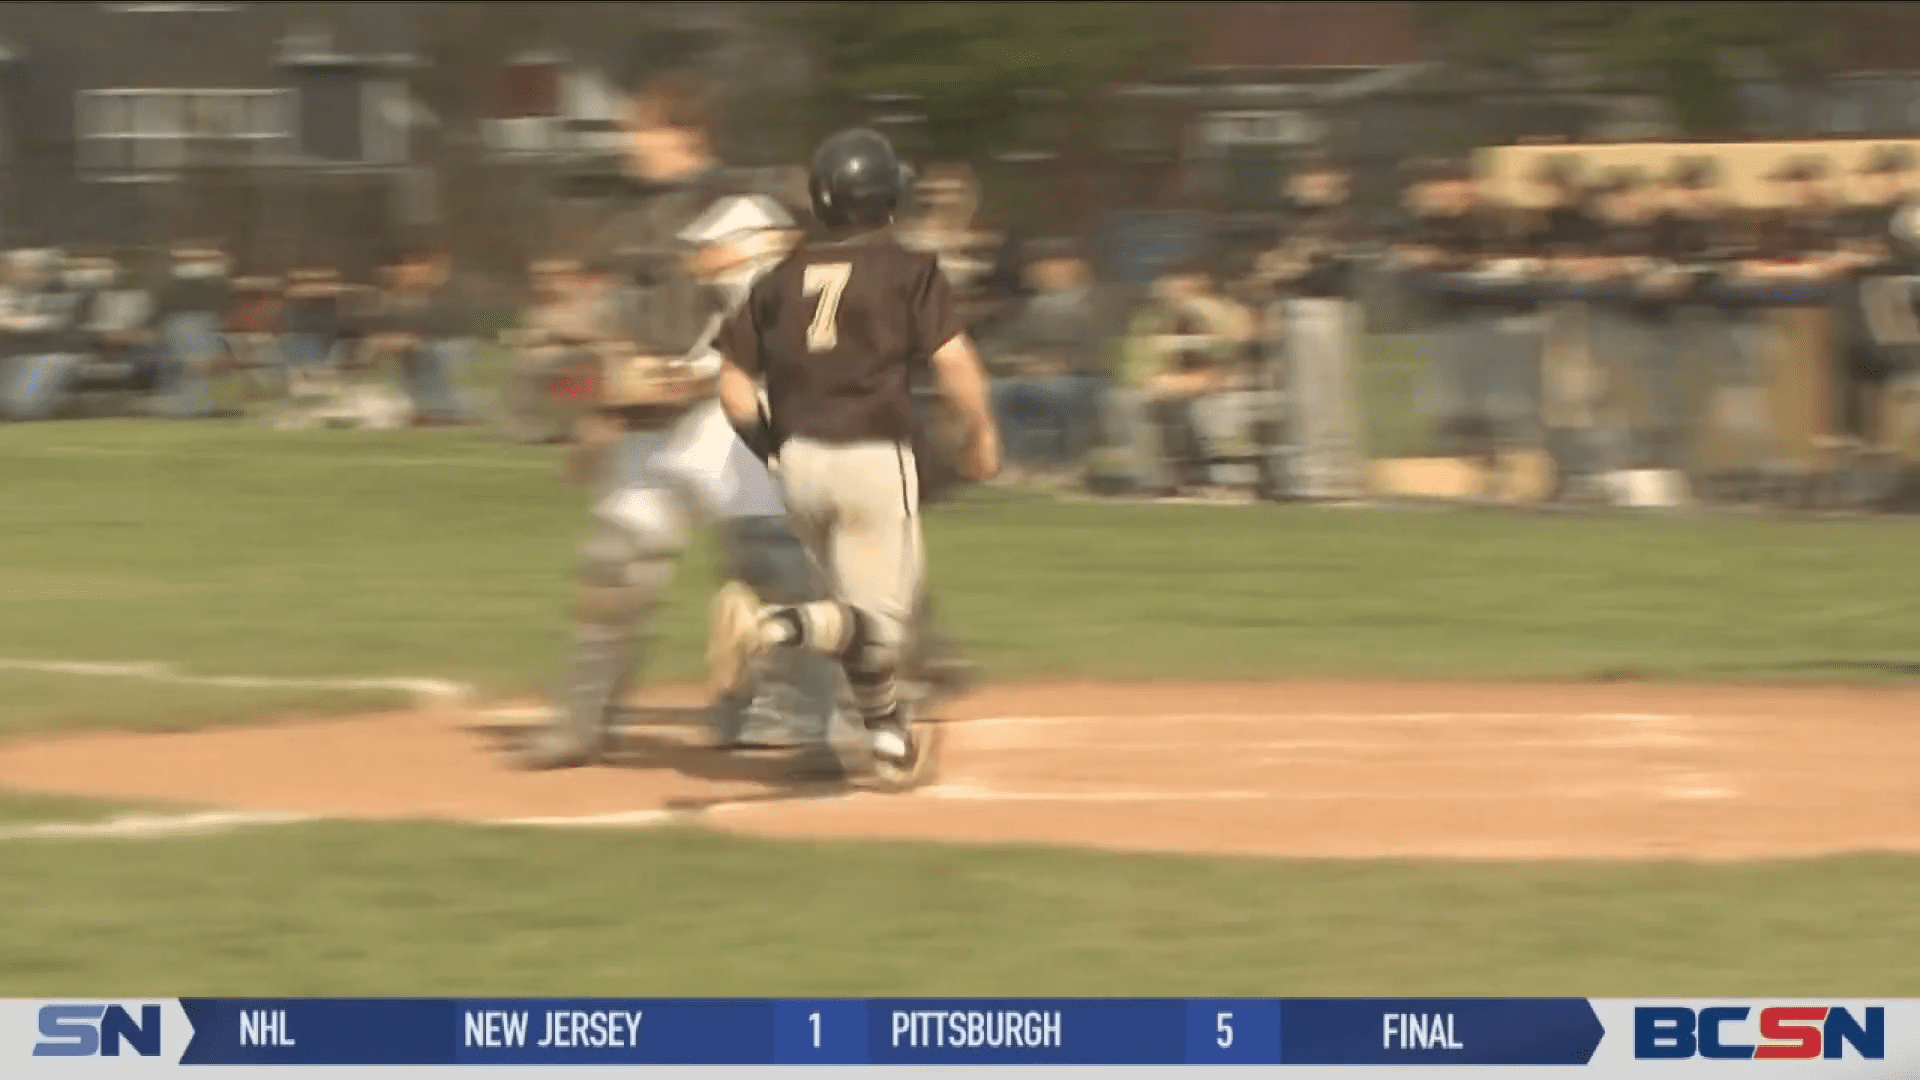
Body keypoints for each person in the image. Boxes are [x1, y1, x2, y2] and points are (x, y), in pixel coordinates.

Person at [513, 53, 833, 771]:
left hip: (732, 413)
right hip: (653, 425)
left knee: (773, 565)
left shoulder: (737, 212)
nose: (628, 143)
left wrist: (685, 377)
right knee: (612, 564)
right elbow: (624, 329)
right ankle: (587, 722)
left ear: (686, 133)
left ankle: (824, 723)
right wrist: (599, 406)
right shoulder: (634, 221)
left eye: (642, 129)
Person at [707, 127, 1000, 789]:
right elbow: (956, 364)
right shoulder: (909, 268)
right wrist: (981, 432)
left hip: (800, 465)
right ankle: (770, 628)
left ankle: (891, 744)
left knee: (849, 620)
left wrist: (772, 450)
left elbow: (732, 384)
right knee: (878, 629)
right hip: (872, 457)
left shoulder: (780, 277)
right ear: (889, 195)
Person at [154, 240, 232, 418]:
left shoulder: (211, 282)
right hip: (185, 322)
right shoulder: (184, 283)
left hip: (201, 322)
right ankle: (183, 407)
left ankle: (193, 406)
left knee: (197, 366)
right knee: (191, 365)